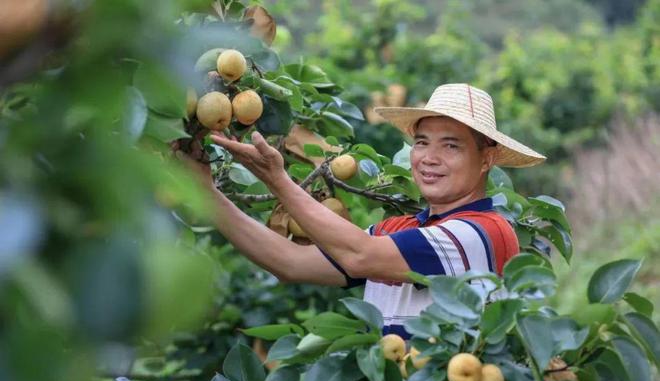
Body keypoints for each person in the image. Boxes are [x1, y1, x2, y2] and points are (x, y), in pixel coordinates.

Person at [177, 83, 546, 339]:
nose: (429, 158)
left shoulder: (481, 232)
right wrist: (207, 195)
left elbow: (358, 255)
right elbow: (291, 262)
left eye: (451, 146)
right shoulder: (398, 230)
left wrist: (278, 180)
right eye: (422, 142)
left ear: (487, 159)